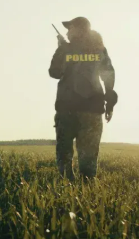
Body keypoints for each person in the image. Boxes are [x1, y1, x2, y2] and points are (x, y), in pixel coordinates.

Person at [48, 17, 117, 181]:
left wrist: (61, 49)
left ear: (78, 29)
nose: (67, 32)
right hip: (92, 108)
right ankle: (87, 188)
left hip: (67, 109)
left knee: (64, 153)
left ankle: (66, 188)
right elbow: (108, 75)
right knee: (89, 156)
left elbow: (54, 73)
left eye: (70, 28)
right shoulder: (99, 49)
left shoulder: (65, 49)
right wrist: (110, 103)